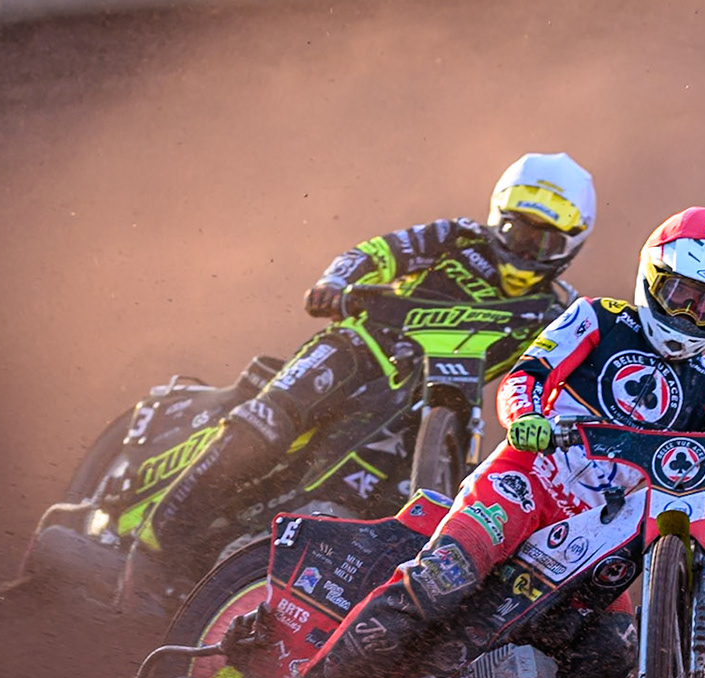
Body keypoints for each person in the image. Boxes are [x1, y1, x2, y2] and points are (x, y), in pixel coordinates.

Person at [270, 206, 705, 678]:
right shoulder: (596, 319)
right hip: (530, 482)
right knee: (442, 578)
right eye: (681, 293)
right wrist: (526, 419)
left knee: (610, 652)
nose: (689, 314)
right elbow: (527, 373)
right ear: (653, 277)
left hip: (605, 530)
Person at [140, 153, 597, 588]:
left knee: (370, 513)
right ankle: (149, 553)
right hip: (362, 347)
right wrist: (335, 282)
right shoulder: (456, 237)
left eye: (543, 241)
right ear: (497, 217)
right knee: (263, 427)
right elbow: (381, 252)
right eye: (517, 231)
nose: (525, 249)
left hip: (422, 408)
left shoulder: (554, 311)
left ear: (569, 247)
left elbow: (555, 370)